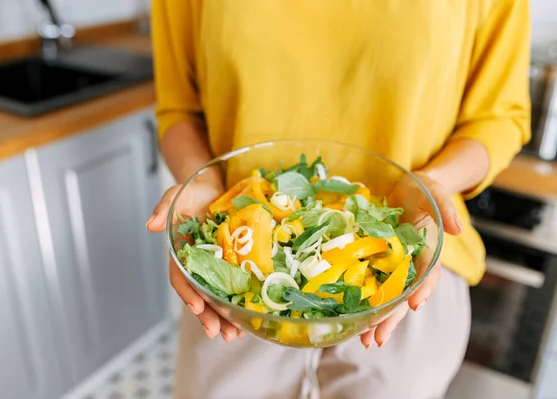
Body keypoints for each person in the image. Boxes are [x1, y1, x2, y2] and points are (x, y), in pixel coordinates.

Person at [146, 1, 531, 398]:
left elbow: (499, 119)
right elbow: (179, 110)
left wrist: (433, 183)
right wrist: (205, 183)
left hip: (406, 272)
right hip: (234, 278)